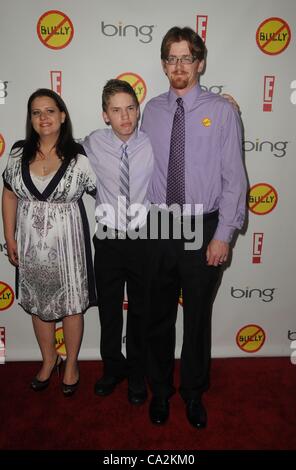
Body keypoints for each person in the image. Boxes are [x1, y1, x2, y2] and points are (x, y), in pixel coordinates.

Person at [141, 26, 247, 428]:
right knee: (158, 316)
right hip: (157, 226)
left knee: (197, 318)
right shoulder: (150, 110)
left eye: (187, 58)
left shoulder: (222, 111)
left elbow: (234, 179)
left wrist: (223, 235)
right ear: (164, 64)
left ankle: (193, 393)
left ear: (200, 63)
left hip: (203, 228)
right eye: (172, 58)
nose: (179, 65)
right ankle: (161, 392)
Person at [2, 89, 97, 396]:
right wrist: (8, 235)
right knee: (38, 306)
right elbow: (9, 194)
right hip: (29, 245)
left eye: (50, 111)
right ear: (30, 119)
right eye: (36, 112)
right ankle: (48, 359)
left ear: (63, 116)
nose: (43, 118)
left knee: (71, 307)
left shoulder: (81, 158)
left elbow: (108, 192)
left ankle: (71, 364)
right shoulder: (17, 153)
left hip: (69, 248)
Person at [82, 79, 154, 405]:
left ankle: (137, 372)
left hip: (143, 239)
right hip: (108, 239)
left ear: (138, 110)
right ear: (105, 115)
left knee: (141, 310)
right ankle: (112, 368)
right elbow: (52, 147)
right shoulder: (91, 143)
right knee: (109, 310)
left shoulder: (154, 142)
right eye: (116, 110)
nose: (125, 117)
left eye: (130, 108)